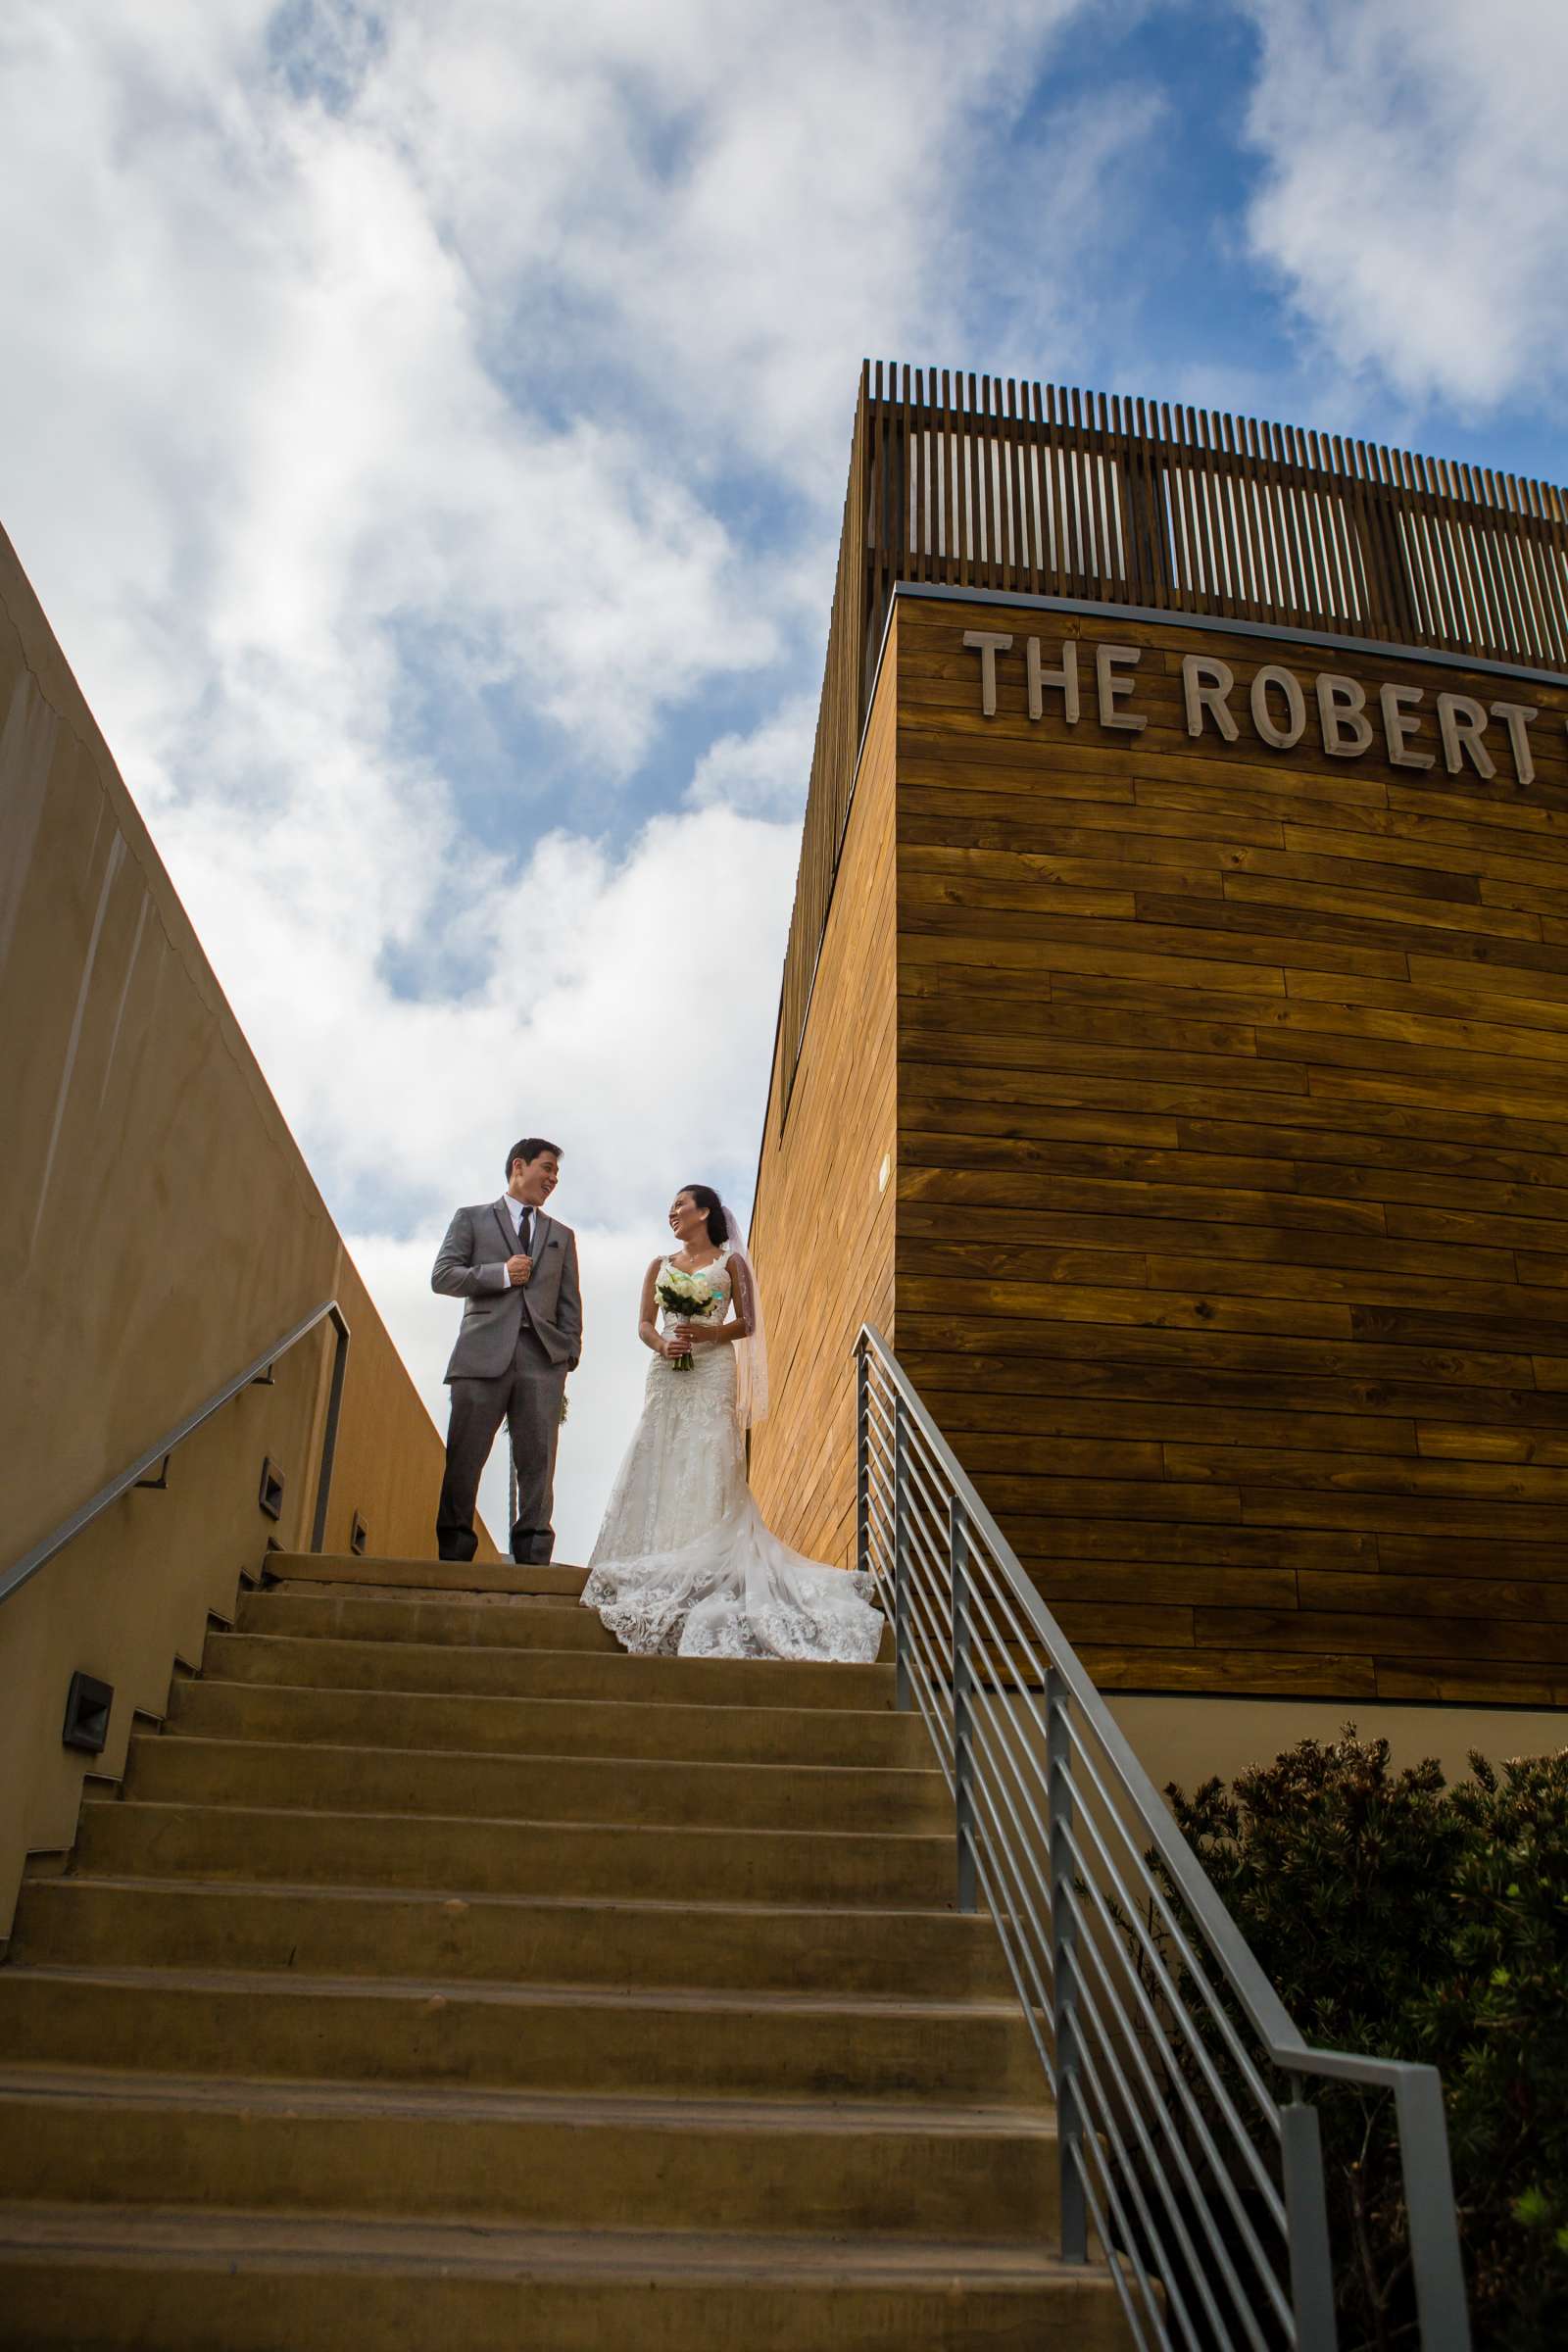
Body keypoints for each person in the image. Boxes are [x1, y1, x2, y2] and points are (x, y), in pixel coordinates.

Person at [581, 1185, 883, 1663]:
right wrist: (664, 1346)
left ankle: (707, 1549)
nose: (672, 1212)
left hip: (714, 1368)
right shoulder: (658, 1265)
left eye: (680, 1204)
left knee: (709, 1450)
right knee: (660, 1447)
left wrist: (709, 1332)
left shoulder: (731, 1264)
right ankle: (660, 1550)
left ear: (704, 1212)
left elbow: (748, 1323)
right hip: (668, 1369)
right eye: (671, 1207)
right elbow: (644, 1324)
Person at [431, 1137, 581, 1564]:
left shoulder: (562, 1236)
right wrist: (500, 1273)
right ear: (520, 1165)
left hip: (542, 1363)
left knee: (539, 1467)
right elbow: (443, 1276)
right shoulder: (472, 1219)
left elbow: (570, 1302)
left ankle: (533, 1555)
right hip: (480, 1357)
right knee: (465, 1458)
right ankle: (455, 1553)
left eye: (556, 1173)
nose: (552, 1179)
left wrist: (567, 1356)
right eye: (547, 1168)